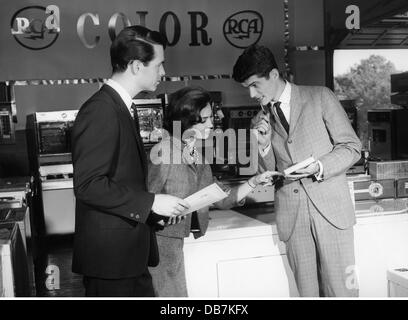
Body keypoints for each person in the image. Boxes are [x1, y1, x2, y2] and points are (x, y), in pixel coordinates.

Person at [232, 45, 362, 297]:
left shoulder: (320, 97)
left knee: (344, 291)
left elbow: (351, 147)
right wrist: (265, 145)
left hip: (332, 213)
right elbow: (268, 174)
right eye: (246, 87)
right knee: (307, 294)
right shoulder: (259, 121)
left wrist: (320, 167)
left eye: (255, 85)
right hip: (293, 219)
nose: (251, 94)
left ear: (272, 75)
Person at [71, 25, 190, 297]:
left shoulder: (121, 107)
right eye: (160, 64)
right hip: (111, 264)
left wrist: (150, 214)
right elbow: (89, 185)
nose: (163, 72)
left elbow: (118, 180)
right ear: (137, 66)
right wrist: (151, 202)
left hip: (126, 258)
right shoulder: (101, 110)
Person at [147, 86, 280, 296]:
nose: (212, 123)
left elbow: (221, 199)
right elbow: (146, 202)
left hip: (174, 248)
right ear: (187, 121)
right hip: (158, 249)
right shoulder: (165, 151)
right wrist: (157, 216)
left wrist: (254, 181)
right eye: (206, 119)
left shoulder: (196, 156)